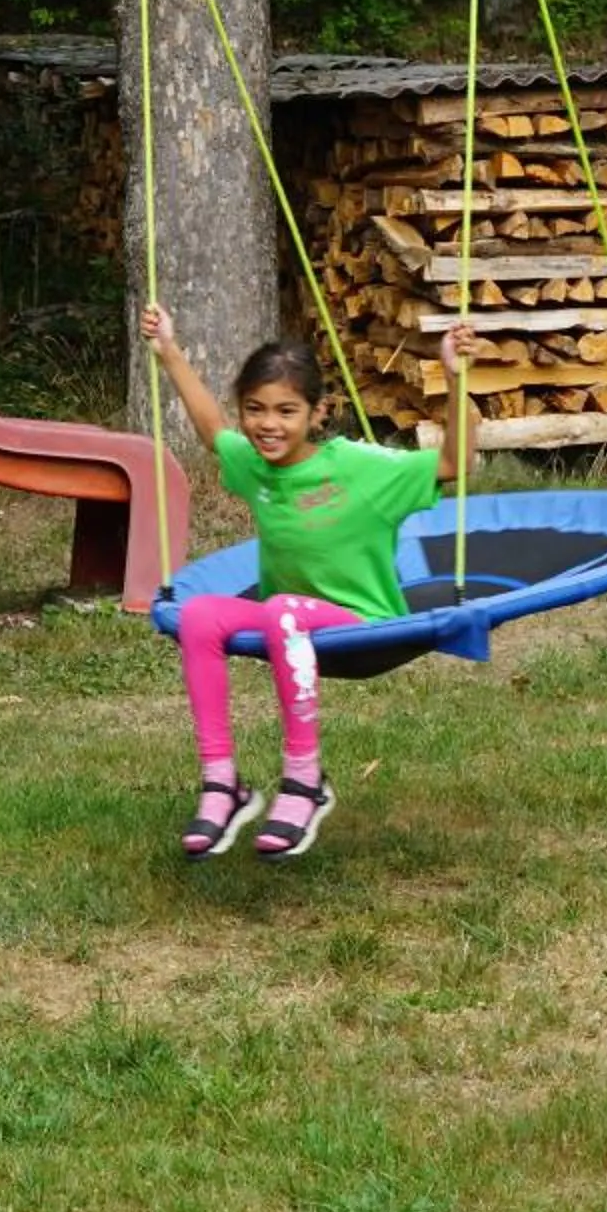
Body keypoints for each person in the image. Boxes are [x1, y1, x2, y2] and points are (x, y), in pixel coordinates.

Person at [141, 306, 486, 861]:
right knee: (201, 615)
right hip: (290, 623)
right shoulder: (256, 464)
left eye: (285, 411)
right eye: (254, 410)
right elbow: (213, 434)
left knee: (279, 607)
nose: (267, 424)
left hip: (365, 626)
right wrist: (171, 353)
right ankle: (222, 781)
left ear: (318, 413)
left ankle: (305, 781)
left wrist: (455, 375)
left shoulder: (361, 468)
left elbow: (455, 463)